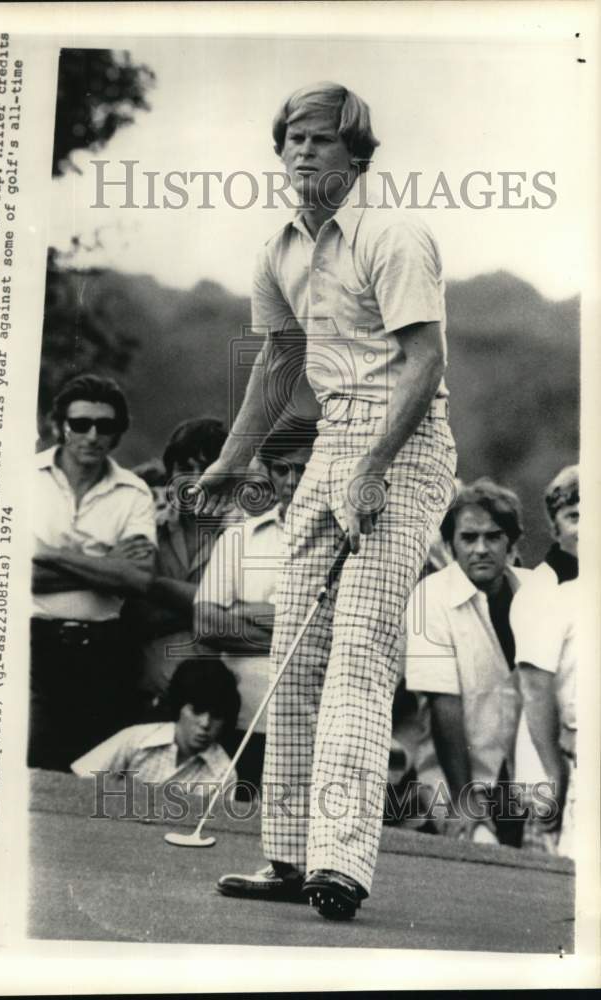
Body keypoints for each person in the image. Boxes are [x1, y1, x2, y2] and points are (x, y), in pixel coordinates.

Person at [203, 82, 457, 919]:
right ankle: (286, 857)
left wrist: (377, 465)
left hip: (407, 444)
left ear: (357, 154)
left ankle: (341, 864)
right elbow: (278, 363)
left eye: (320, 140)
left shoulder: (394, 233)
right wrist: (232, 463)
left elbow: (424, 361)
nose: (302, 153)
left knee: (358, 648)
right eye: (291, 141)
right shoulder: (277, 249)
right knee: (295, 653)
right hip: (330, 444)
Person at [30, 374, 157, 771]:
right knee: (29, 765)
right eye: (80, 424)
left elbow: (137, 580)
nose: (92, 435)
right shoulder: (20, 479)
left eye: (105, 426)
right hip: (31, 645)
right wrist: (106, 563)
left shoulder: (134, 493)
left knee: (89, 773)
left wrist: (47, 554)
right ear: (59, 427)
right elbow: (8, 575)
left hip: (102, 654)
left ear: (118, 433)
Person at [405, 479, 533, 845]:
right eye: (469, 538)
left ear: (511, 544)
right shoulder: (430, 597)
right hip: (453, 779)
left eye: (493, 537)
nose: (481, 549)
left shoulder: (537, 592)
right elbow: (444, 707)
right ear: (450, 545)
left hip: (527, 781)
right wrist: (466, 805)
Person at [195, 421, 317, 792]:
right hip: (241, 716)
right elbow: (207, 625)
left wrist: (246, 611)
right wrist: (297, 631)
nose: (293, 482)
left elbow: (333, 634)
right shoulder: (240, 538)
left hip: (312, 722)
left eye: (305, 469)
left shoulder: (349, 544)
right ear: (268, 472)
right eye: (283, 469)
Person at [122, 418, 229, 716]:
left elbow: (238, 618)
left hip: (216, 711)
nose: (195, 480)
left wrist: (155, 588)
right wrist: (208, 610)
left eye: (207, 469)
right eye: (185, 469)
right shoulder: (146, 530)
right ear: (169, 474)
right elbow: (133, 616)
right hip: (147, 699)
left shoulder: (244, 536)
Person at [510, 465, 579, 855]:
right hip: (553, 766)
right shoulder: (542, 589)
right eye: (574, 517)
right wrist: (553, 779)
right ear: (554, 527)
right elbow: (535, 690)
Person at [71, 658, 240, 801]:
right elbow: (79, 787)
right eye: (197, 710)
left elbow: (211, 829)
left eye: (217, 715)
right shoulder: (136, 738)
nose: (205, 723)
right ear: (179, 706)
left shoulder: (224, 773)